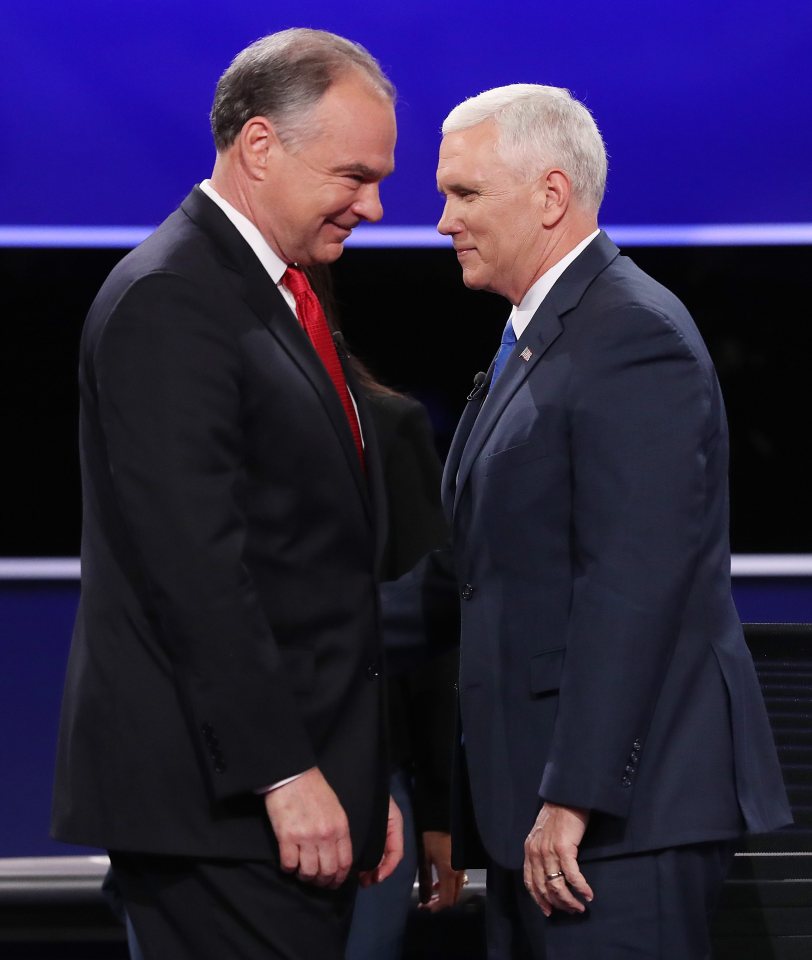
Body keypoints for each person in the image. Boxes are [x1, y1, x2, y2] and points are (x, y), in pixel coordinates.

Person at [51, 28, 401, 960]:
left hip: (282, 802)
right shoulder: (171, 298)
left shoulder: (279, 290)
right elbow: (195, 569)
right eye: (354, 175)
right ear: (258, 147)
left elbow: (308, 560)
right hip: (222, 809)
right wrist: (286, 774)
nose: (374, 206)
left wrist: (365, 782)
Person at [429, 84, 792, 958]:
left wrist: (576, 796)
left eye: (465, 194)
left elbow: (634, 581)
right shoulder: (545, 333)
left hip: (615, 824)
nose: (443, 221)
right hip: (539, 815)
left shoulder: (632, 335)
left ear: (551, 196)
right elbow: (473, 573)